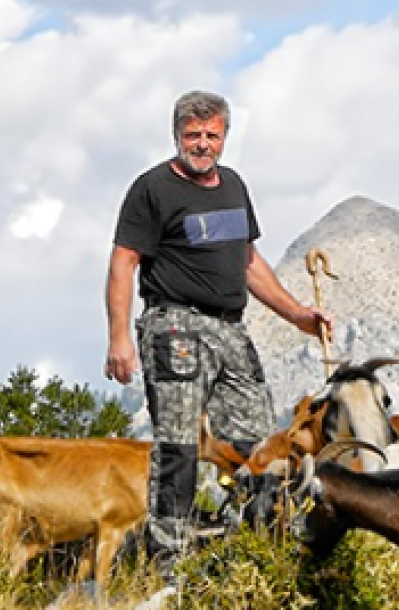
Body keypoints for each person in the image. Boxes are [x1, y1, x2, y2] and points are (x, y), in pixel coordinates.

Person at [103, 89, 332, 579]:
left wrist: (297, 315)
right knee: (180, 443)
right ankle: (170, 561)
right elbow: (123, 263)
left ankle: (258, 548)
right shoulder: (152, 189)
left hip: (231, 328)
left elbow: (248, 261)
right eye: (193, 135)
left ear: (225, 137)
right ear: (177, 136)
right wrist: (119, 338)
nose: (202, 144)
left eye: (212, 135)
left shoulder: (233, 187)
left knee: (258, 443)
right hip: (174, 325)